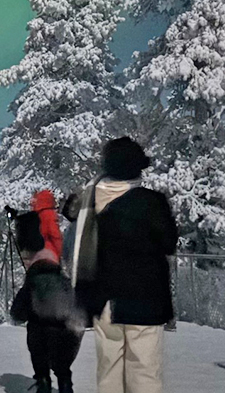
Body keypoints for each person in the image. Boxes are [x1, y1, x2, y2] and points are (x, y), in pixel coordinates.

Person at [72, 137, 177, 393]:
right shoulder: (151, 202)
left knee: (108, 371)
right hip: (146, 299)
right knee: (144, 371)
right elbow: (169, 243)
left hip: (104, 300)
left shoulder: (89, 201)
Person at [11, 208, 85, 393]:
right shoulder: (64, 281)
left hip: (41, 334)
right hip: (66, 334)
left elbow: (18, 313)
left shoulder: (33, 283)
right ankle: (65, 383)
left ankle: (43, 381)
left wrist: (19, 315)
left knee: (37, 346)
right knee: (62, 367)